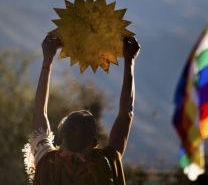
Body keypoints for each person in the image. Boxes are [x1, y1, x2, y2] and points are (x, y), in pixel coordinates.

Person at [22, 34, 140, 185]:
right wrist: (130, 61)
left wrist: (47, 60)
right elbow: (126, 114)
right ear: (93, 143)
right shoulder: (106, 165)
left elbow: (39, 113)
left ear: (61, 139)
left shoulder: (48, 163)